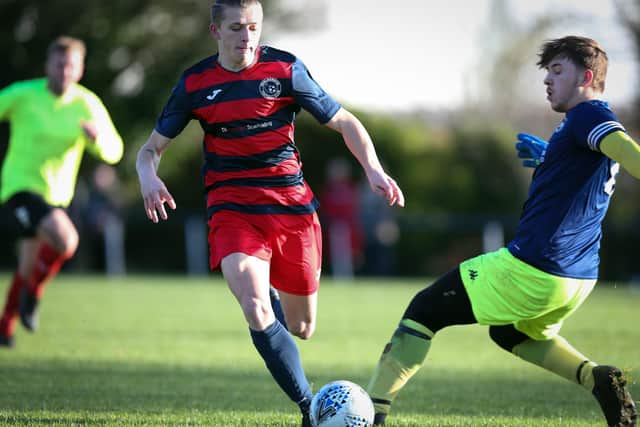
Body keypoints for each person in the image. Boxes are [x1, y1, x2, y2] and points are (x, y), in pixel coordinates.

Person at [135, 1, 404, 426]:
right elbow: (150, 150)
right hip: (232, 209)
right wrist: (147, 176)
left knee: (302, 328)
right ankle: (309, 408)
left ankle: (275, 300)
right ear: (215, 31)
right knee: (257, 308)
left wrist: (373, 169)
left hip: (292, 210)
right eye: (237, 28)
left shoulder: (285, 70)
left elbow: (346, 121)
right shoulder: (196, 83)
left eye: (254, 27)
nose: (247, 37)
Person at [366, 36, 638, 427]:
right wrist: (552, 158)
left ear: (588, 76)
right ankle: (595, 379)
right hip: (577, 279)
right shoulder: (580, 127)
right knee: (510, 333)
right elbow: (588, 174)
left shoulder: (588, 117)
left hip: (535, 268)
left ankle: (371, 414)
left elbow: (629, 153)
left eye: (558, 71)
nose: (548, 80)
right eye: (547, 73)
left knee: (423, 311)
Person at [0, 36, 124, 348]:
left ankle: (5, 326)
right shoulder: (23, 94)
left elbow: (115, 150)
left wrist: (97, 140)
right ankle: (34, 295)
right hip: (20, 188)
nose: (64, 71)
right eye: (59, 64)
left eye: (71, 65)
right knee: (67, 240)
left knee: (27, 267)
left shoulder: (87, 104)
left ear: (80, 70)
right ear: (48, 66)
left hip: (57, 197)